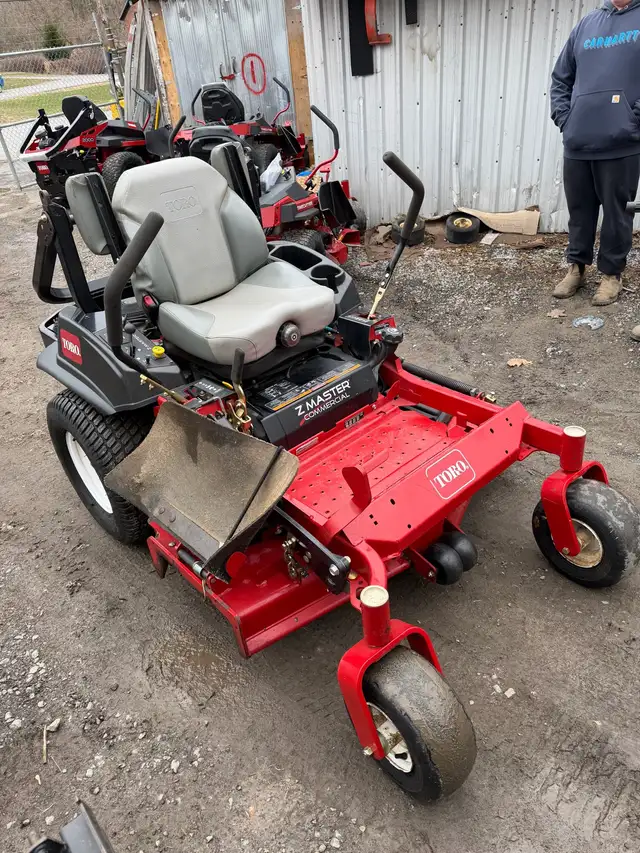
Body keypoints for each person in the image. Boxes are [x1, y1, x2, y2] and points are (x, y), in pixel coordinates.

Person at [550, 0, 640, 326]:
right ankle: (576, 268)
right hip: (578, 141)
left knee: (618, 212)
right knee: (580, 210)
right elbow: (561, 77)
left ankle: (612, 275)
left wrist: (633, 119)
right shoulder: (586, 26)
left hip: (622, 142)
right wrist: (565, 118)